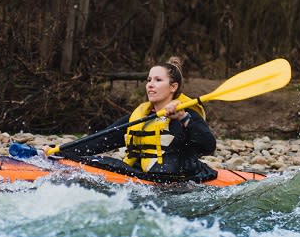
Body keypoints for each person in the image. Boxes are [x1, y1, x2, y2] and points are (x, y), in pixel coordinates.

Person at [60, 60, 219, 182]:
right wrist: (61, 151)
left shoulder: (187, 114)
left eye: (158, 80)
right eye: (149, 80)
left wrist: (184, 119)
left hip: (181, 180)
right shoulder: (140, 117)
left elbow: (208, 146)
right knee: (97, 161)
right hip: (145, 177)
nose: (150, 85)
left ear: (173, 87)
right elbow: (101, 140)